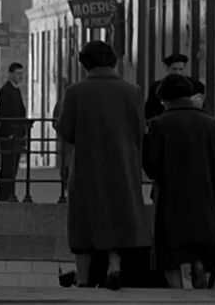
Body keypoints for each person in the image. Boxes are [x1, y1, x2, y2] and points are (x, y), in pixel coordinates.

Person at [56, 41, 151, 290]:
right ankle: (115, 265)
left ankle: (84, 277)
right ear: (113, 60)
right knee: (119, 213)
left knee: (84, 220)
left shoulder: (75, 92)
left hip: (88, 166)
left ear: (84, 63)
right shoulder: (133, 91)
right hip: (124, 165)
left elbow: (66, 130)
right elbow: (140, 129)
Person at [143, 74, 215, 289]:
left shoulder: (160, 124)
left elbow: (151, 165)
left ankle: (177, 292)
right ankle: (198, 265)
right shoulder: (211, 124)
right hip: (204, 193)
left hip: (171, 195)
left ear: (165, 100)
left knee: (169, 250)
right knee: (200, 240)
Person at [0, 63, 29, 201]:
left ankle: (10, 194)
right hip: (9, 134)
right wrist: (9, 132)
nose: (20, 76)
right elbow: (4, 114)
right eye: (17, 73)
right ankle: (4, 195)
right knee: (7, 166)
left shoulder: (16, 90)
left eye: (22, 74)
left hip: (17, 134)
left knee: (13, 167)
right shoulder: (6, 90)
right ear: (10, 74)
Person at [144, 53, 188, 121]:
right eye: (174, 69)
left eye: (181, 69)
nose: (178, 72)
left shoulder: (193, 85)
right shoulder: (156, 86)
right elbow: (149, 111)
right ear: (168, 69)